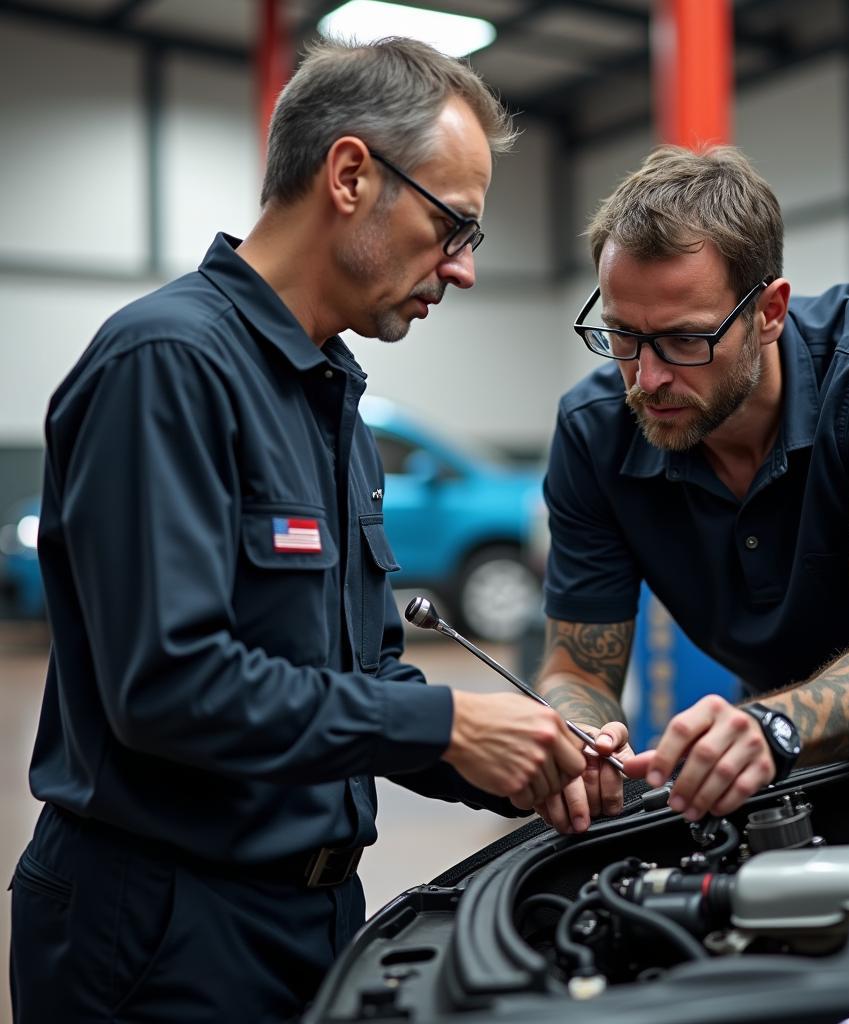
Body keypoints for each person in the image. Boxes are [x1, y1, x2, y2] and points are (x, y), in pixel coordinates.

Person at [9, 37, 587, 1024]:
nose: (462, 270)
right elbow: (171, 684)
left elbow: (347, 688)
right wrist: (444, 720)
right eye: (453, 225)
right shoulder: (168, 365)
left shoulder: (331, 399)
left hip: (310, 918)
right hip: (162, 929)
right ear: (352, 175)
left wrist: (527, 759)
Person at [529, 144, 849, 837]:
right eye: (621, 334)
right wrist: (582, 739)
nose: (646, 379)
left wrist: (771, 726)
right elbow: (578, 667)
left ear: (769, 312)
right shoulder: (594, 433)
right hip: (797, 757)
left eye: (684, 340)